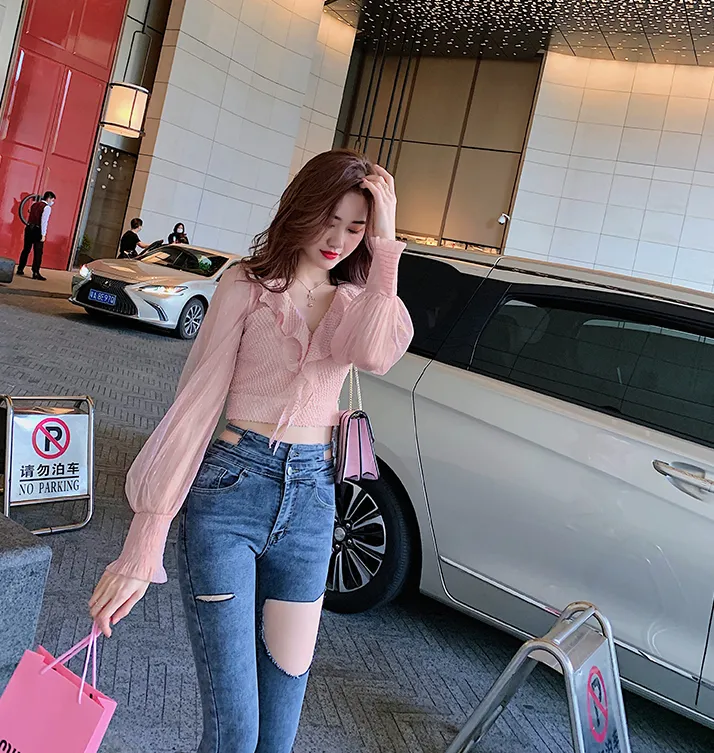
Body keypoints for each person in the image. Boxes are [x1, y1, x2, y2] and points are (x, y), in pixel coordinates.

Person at [88, 149, 414, 753]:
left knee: (279, 731)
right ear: (301, 210)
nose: (338, 240)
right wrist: (145, 539)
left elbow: (374, 353)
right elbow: (196, 404)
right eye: (329, 220)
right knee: (235, 731)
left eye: (356, 228)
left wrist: (387, 244)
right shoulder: (248, 283)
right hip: (230, 493)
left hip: (313, 504)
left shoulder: (356, 302)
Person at [17, 190, 56, 281]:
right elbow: (44, 222)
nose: (52, 202)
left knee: (26, 249)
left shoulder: (34, 204)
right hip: (38, 230)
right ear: (49, 198)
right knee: (38, 252)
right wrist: (43, 234)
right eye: (52, 200)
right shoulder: (47, 208)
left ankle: (20, 268)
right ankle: (35, 272)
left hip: (29, 228)